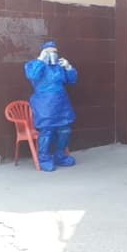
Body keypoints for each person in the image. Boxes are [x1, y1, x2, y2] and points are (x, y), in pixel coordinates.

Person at [25, 40, 78, 172]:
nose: (53, 54)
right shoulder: (34, 64)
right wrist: (40, 60)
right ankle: (44, 158)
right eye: (49, 52)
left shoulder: (59, 66)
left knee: (65, 129)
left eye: (55, 52)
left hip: (61, 103)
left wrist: (68, 67)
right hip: (44, 104)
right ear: (43, 52)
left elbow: (72, 80)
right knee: (46, 130)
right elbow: (32, 75)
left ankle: (60, 155)